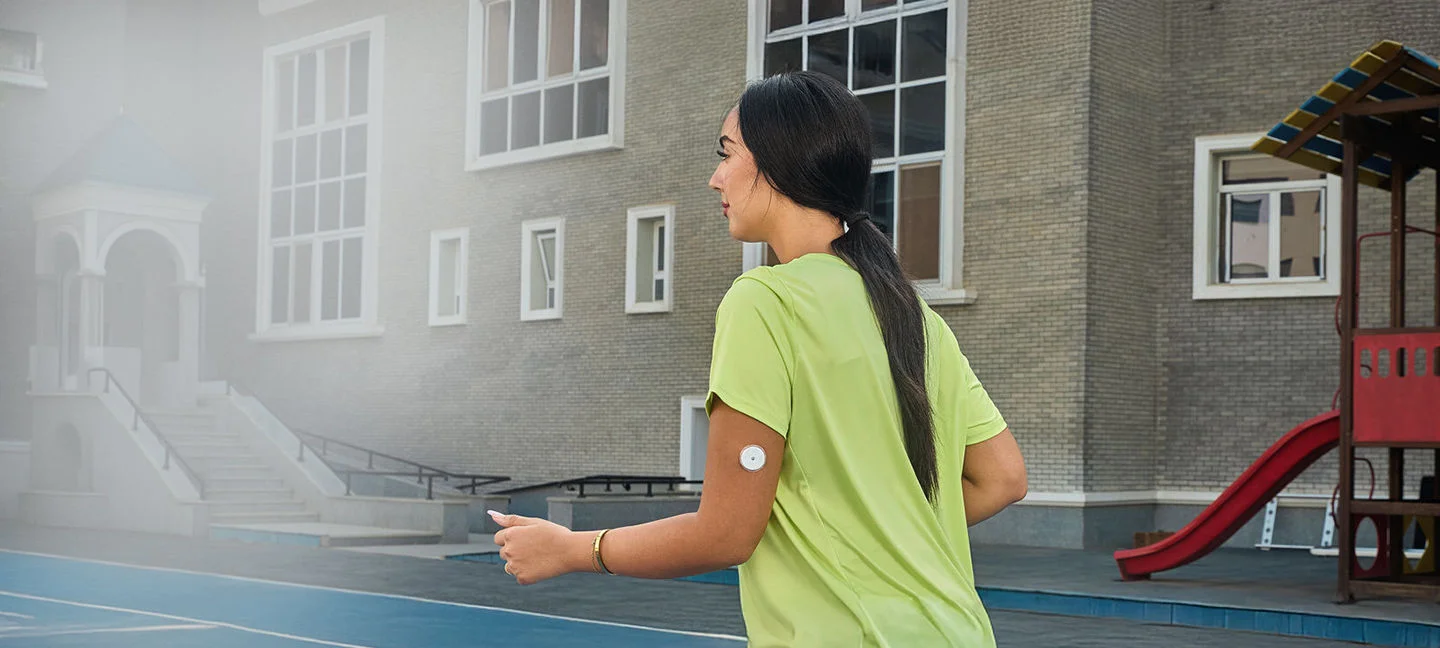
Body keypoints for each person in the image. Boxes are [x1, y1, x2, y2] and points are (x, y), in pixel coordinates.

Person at [490, 70, 1028, 647]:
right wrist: (879, 536)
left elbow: (725, 535)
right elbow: (1002, 479)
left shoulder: (765, 302)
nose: (714, 177)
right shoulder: (915, 315)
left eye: (728, 154)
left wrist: (573, 549)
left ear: (778, 160)